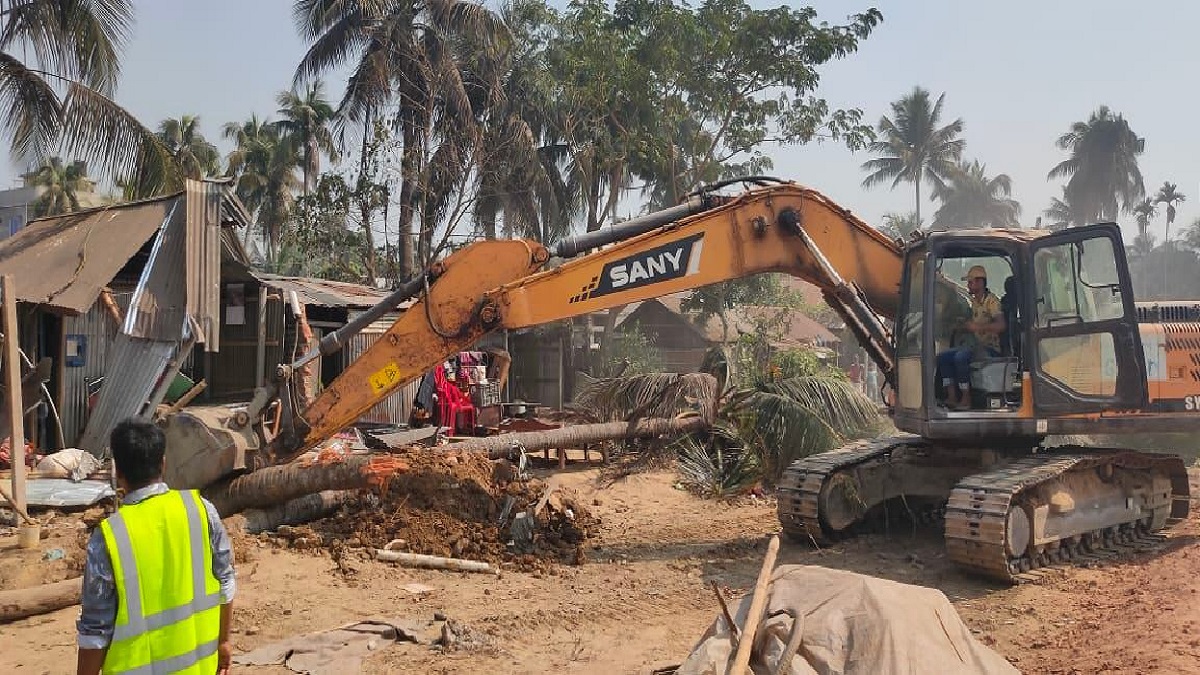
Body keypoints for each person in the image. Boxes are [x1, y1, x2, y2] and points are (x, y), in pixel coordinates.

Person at [76, 418, 236, 675]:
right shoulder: (201, 511)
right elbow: (226, 584)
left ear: (118, 472)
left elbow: (95, 630)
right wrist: (224, 642)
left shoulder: (108, 537)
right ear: (163, 462)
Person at [936, 265, 1006, 409]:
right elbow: (958, 291)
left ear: (980, 282)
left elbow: (1001, 326)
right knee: (942, 357)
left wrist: (978, 327)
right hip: (975, 347)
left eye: (971, 282)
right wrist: (962, 325)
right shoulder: (974, 301)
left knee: (961, 357)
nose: (968, 285)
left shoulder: (992, 302)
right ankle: (952, 397)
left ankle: (966, 399)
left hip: (989, 349)